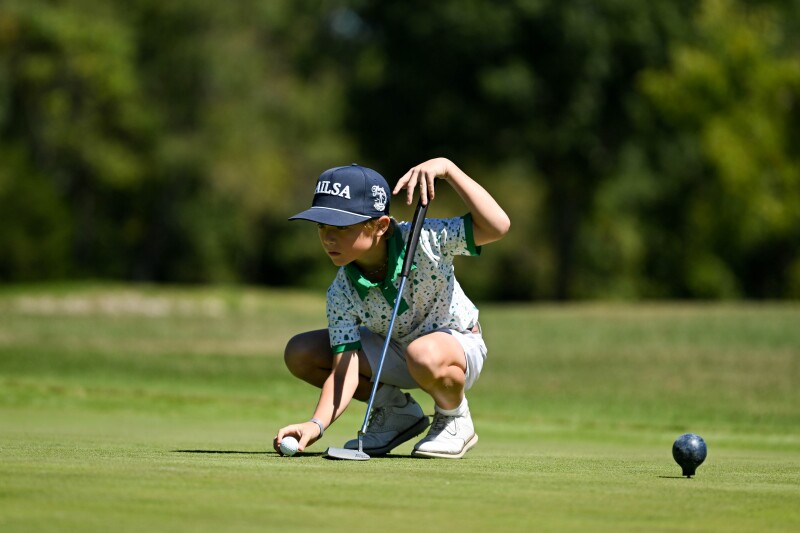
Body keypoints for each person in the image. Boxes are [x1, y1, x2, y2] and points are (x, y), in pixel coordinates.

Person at [273, 157, 510, 458]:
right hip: (395, 350)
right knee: (302, 352)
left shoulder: (426, 239)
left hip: (455, 347)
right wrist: (316, 424)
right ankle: (396, 413)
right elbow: (344, 369)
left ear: (381, 225)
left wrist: (448, 169)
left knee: (422, 353)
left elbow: (498, 226)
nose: (328, 237)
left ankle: (454, 417)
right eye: (322, 226)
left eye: (341, 227)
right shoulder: (341, 290)